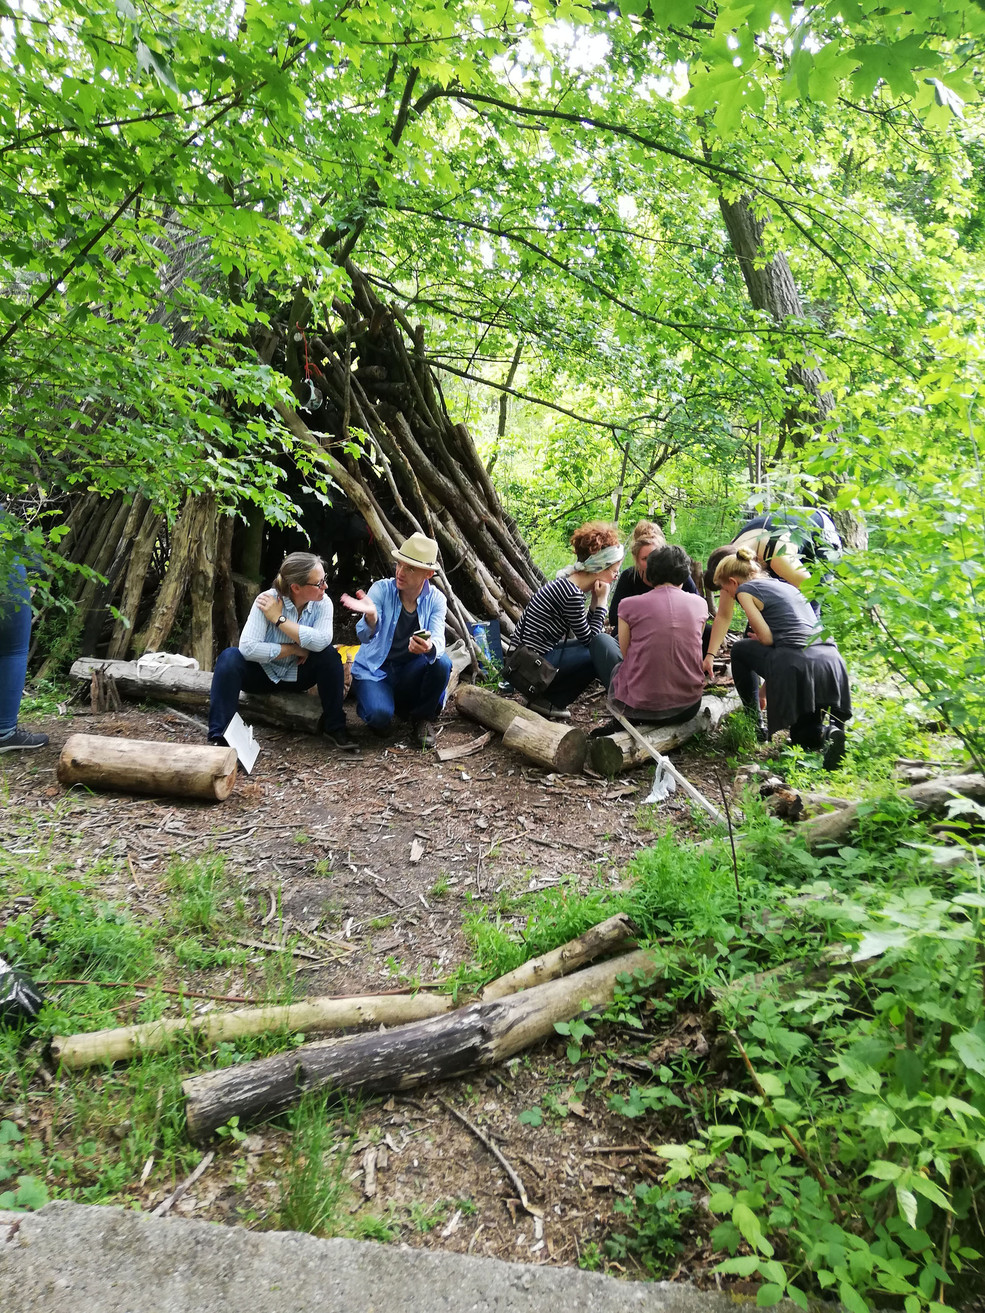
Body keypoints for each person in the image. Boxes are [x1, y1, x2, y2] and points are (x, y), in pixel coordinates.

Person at [703, 547, 850, 768]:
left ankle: (755, 723)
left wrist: (758, 638)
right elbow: (790, 633)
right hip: (831, 660)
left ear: (733, 582)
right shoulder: (785, 586)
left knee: (741, 649)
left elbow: (768, 638)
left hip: (797, 664)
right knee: (803, 738)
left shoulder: (745, 591)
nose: (729, 595)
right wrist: (765, 687)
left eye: (725, 589)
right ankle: (830, 733)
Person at [208, 552, 354, 750]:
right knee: (229, 658)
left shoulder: (323, 603)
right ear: (296, 587)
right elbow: (248, 648)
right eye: (319, 583)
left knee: (330, 657)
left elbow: (322, 641)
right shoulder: (266, 600)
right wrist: (294, 649)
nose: (325, 587)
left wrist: (279, 619)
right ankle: (220, 735)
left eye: (324, 580)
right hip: (262, 674)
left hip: (297, 676)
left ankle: (335, 727)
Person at [341, 532, 452, 749]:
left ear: (428, 574)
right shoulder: (382, 589)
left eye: (410, 568)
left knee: (442, 662)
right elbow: (363, 636)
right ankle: (374, 704)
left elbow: (438, 638)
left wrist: (428, 647)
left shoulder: (436, 599)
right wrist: (371, 618)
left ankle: (421, 718)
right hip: (375, 670)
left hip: (409, 671)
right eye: (399, 564)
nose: (400, 572)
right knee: (379, 717)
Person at [510, 521, 623, 719]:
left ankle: (546, 697)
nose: (615, 577)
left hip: (524, 656)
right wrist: (602, 602)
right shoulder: (571, 593)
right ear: (599, 567)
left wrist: (595, 602)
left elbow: (586, 632)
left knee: (589, 647)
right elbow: (593, 640)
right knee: (594, 654)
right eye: (614, 571)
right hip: (527, 667)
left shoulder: (568, 585)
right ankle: (550, 701)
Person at [608, 545, 708, 726]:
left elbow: (626, 653)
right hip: (689, 707)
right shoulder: (700, 604)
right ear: (685, 574)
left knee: (618, 667)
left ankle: (619, 720)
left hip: (640, 709)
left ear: (650, 573)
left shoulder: (628, 605)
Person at [0, 533, 48, 752]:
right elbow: (30, 548)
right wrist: (31, 585)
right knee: (12, 650)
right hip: (7, 567)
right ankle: (4, 731)